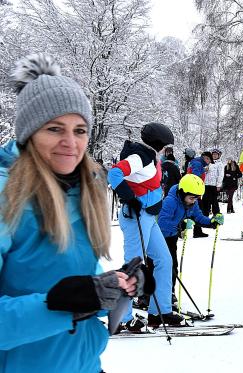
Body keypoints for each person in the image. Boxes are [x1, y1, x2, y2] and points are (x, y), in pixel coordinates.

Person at [1, 54, 148, 370]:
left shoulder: (83, 190)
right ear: (29, 133)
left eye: (80, 130)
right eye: (55, 129)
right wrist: (55, 304)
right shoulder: (6, 196)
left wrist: (113, 286)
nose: (70, 142)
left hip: (83, 363)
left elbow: (74, 285)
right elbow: (59, 298)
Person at [109, 121, 182, 330]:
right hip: (136, 217)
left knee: (164, 259)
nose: (167, 148)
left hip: (148, 218)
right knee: (133, 265)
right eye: (166, 145)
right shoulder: (138, 157)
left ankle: (160, 312)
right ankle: (122, 318)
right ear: (159, 142)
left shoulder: (151, 156)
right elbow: (114, 173)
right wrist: (129, 198)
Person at [157, 175, 223, 299]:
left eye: (196, 198)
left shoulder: (191, 202)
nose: (194, 201)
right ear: (182, 193)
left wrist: (212, 222)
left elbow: (197, 217)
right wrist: (181, 225)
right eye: (192, 198)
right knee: (159, 266)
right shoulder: (170, 201)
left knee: (172, 265)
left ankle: (169, 293)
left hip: (172, 238)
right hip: (158, 239)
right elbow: (162, 223)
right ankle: (147, 295)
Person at [201, 148, 224, 218]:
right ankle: (205, 213)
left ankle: (216, 214)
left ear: (218, 155)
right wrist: (204, 170)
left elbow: (221, 175)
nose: (214, 156)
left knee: (214, 200)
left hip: (214, 185)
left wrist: (218, 185)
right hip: (206, 184)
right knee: (205, 199)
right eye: (213, 154)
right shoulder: (208, 162)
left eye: (216, 154)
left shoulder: (220, 164)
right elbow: (203, 171)